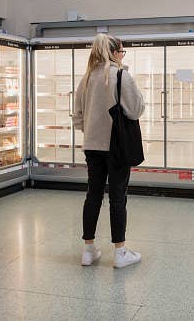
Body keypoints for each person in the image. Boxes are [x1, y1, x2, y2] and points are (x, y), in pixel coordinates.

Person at [73, 34, 145, 269]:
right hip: (115, 146)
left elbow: (77, 118)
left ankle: (88, 250)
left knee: (92, 195)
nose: (122, 56)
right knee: (117, 197)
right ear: (114, 53)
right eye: (121, 52)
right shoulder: (120, 75)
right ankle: (120, 252)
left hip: (92, 146)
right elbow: (136, 109)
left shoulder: (86, 79)